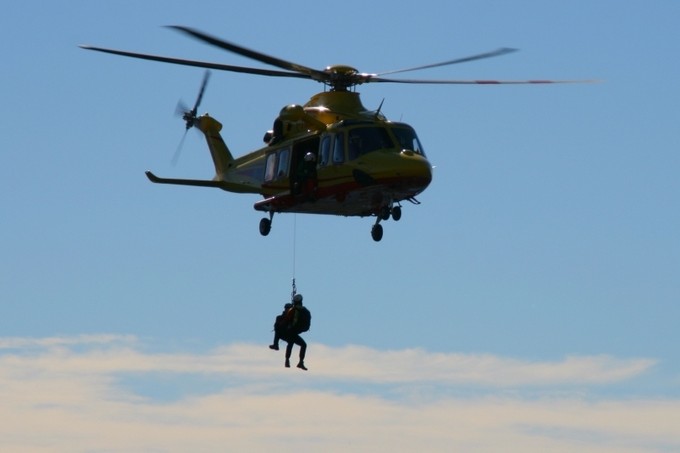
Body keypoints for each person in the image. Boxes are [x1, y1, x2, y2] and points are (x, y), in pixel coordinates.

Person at [284, 293, 308, 370]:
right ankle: (300, 362)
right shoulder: (303, 310)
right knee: (303, 345)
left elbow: (287, 319)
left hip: (291, 331)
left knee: (290, 344)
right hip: (294, 331)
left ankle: (287, 360)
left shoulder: (293, 310)